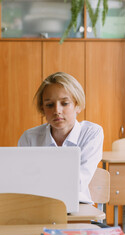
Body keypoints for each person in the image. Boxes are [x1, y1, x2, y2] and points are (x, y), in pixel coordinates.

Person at [18, 72, 104, 205]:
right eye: (49, 105)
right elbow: (23, 182)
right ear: (42, 108)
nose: (57, 110)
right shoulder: (29, 138)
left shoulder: (92, 133)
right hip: (38, 205)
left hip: (78, 207)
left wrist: (40, 181)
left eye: (64, 103)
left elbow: (79, 183)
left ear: (77, 105)